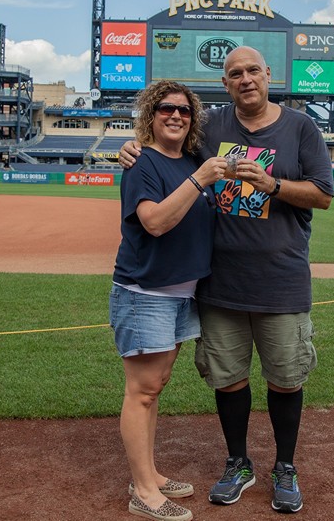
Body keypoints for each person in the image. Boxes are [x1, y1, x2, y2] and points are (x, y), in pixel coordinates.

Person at [121, 46, 334, 514]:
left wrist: (272, 185)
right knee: (228, 379)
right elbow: (167, 150)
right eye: (235, 73)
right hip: (219, 283)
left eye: (253, 70)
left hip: (281, 280)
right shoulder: (210, 126)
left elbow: (322, 195)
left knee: (286, 379)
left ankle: (285, 466)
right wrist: (133, 147)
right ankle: (238, 462)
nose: (246, 79)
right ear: (225, 83)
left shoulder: (301, 127)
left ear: (268, 74)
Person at [110, 81, 226, 521]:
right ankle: (143, 492)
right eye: (165, 108)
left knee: (154, 388)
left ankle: (150, 475)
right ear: (150, 115)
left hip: (180, 294)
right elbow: (154, 222)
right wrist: (200, 180)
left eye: (184, 110)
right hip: (145, 292)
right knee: (142, 391)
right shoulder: (142, 163)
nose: (176, 115)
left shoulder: (192, 159)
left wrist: (200, 174)